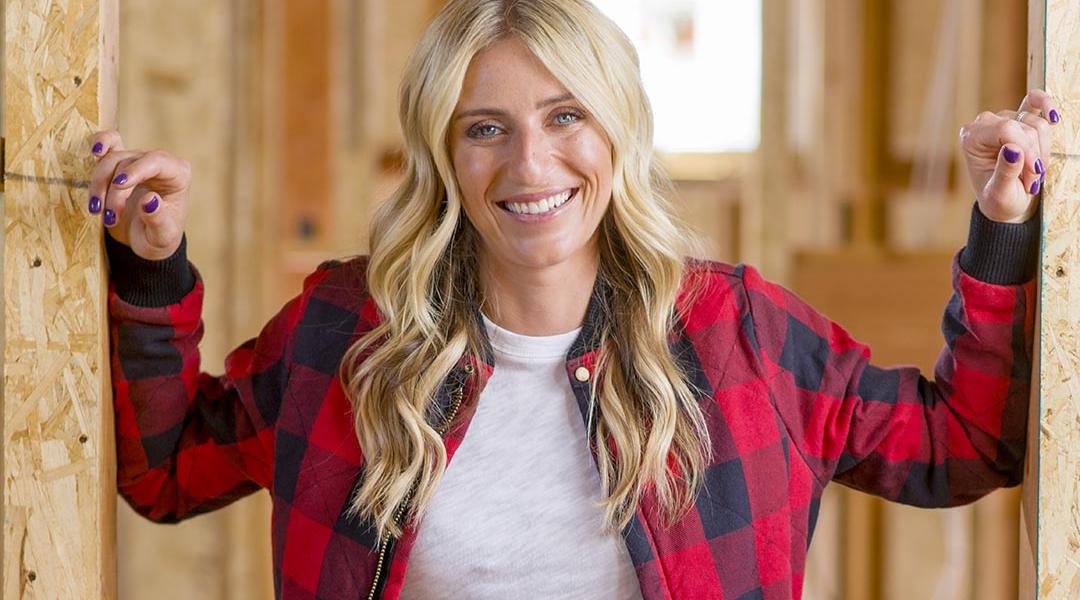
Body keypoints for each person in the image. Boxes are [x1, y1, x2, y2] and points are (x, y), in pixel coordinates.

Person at [92, 0, 1057, 598]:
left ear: (618, 134)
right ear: (443, 156)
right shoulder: (346, 336)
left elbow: (965, 443)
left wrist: (1002, 225)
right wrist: (153, 263)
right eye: (485, 128)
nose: (531, 163)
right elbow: (167, 471)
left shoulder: (739, 336)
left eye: (565, 117)